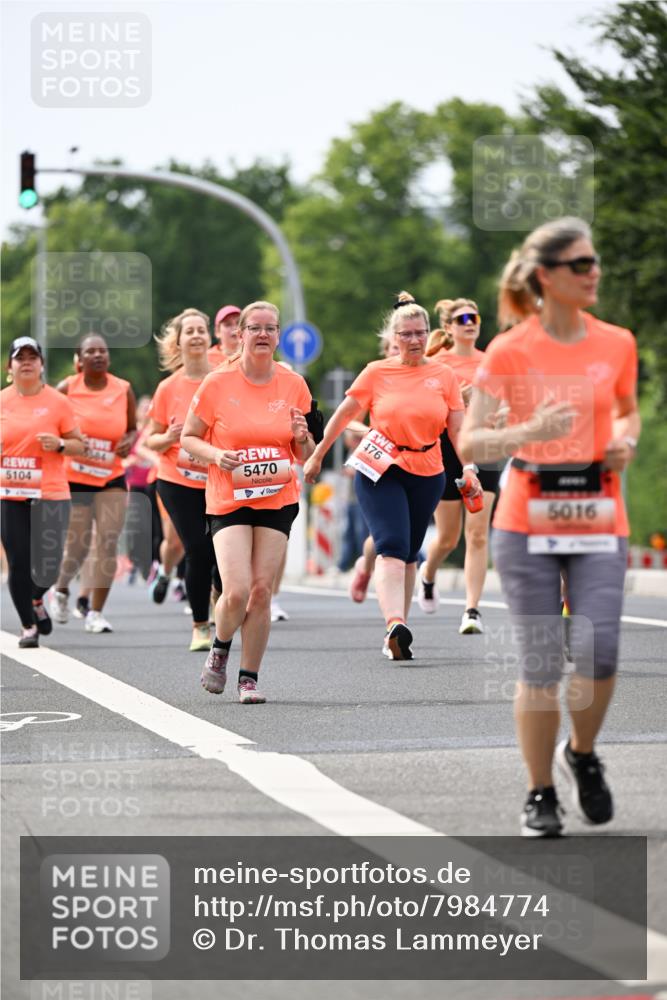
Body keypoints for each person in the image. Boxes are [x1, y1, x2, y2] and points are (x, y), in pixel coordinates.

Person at [459, 216, 640, 837]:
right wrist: (527, 433)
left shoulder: (617, 342)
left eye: (595, 263)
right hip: (526, 517)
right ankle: (539, 793)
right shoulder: (511, 349)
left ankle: (581, 755)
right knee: (540, 663)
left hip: (598, 513)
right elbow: (470, 441)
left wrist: (623, 442)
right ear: (546, 277)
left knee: (602, 649)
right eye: (581, 265)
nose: (594, 274)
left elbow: (625, 415)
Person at [305, 293, 480, 661]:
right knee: (392, 546)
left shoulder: (443, 375)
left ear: (429, 335)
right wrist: (318, 454)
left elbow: (456, 430)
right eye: (406, 334)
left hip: (429, 471)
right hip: (380, 469)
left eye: (421, 333)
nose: (414, 340)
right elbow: (342, 415)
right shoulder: (377, 372)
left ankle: (399, 632)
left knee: (411, 553)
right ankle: (393, 623)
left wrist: (468, 468)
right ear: (393, 337)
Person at [181, 300, 315, 703]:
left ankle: (249, 678)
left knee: (261, 591)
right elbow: (188, 438)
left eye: (270, 328)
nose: (262, 335)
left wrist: (302, 436)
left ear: (278, 336)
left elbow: (306, 453)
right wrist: (216, 456)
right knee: (236, 589)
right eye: (254, 328)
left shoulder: (294, 384)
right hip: (228, 495)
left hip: (277, 497)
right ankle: (220, 648)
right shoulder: (217, 383)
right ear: (239, 336)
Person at [417, 299, 501, 633]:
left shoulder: (492, 362)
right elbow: (423, 410)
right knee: (449, 538)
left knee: (478, 534)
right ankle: (428, 574)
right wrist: (457, 402)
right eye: (461, 318)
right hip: (448, 451)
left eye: (474, 317)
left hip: (484, 447)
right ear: (448, 327)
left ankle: (472, 610)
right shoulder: (435, 364)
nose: (469, 322)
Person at [48, 334, 136, 634]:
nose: (98, 355)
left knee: (108, 542)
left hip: (111, 475)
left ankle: (96, 612)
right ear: (79, 360)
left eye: (103, 351)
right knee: (78, 545)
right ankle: (61, 589)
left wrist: (127, 441)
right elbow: (50, 427)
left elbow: (133, 429)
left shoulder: (123, 389)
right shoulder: (66, 388)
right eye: (91, 351)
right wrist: (67, 443)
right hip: (75, 478)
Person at [1, 337, 84, 647]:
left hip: (51, 493)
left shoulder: (58, 402)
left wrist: (61, 444)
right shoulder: (2, 401)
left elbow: (79, 444)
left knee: (49, 565)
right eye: (19, 357)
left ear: (41, 365)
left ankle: (38, 598)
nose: (26, 361)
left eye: (32, 356)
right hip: (11, 494)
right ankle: (27, 627)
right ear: (10, 366)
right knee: (19, 561)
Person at [145, 307, 220, 651]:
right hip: (178, 481)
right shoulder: (167, 388)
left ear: (209, 337)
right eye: (188, 331)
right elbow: (151, 439)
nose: (195, 335)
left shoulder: (225, 377)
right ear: (178, 341)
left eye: (200, 330)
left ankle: (223, 609)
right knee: (198, 549)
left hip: (219, 478)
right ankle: (200, 625)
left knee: (223, 553)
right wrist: (172, 437)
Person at [347, 325, 400, 602]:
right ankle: (368, 567)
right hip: (379, 458)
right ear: (386, 350)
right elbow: (349, 419)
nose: (399, 350)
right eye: (393, 346)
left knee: (406, 533)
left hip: (418, 461)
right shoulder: (376, 374)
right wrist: (367, 432)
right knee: (385, 533)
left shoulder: (427, 375)